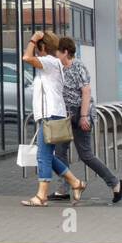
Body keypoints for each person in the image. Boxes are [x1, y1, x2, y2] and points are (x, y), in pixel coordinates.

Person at [50, 37, 122, 204]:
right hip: (65, 115)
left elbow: (86, 91)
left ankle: (115, 184)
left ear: (65, 52)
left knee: (85, 154)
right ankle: (63, 189)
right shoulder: (59, 68)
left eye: (57, 51)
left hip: (80, 113)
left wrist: (84, 116)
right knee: (60, 153)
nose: (55, 54)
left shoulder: (78, 66)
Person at [20, 31, 86, 207]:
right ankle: (75, 183)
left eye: (38, 47)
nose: (36, 51)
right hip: (51, 113)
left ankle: (42, 196)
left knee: (42, 155)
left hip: (51, 114)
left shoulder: (50, 62)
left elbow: (26, 57)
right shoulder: (52, 63)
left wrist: (33, 39)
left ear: (43, 47)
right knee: (49, 155)